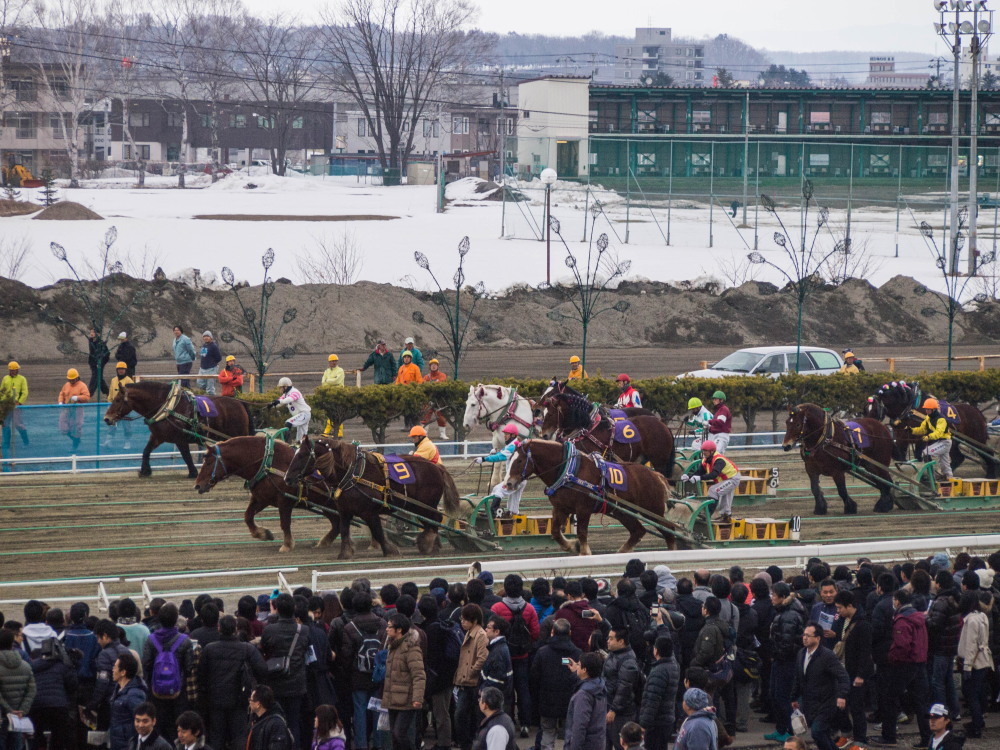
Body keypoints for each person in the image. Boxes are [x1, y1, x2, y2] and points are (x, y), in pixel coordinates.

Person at [871, 589, 930, 749]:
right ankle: (927, 738)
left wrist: (892, 657)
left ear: (897, 601)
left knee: (890, 698)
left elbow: (901, 645)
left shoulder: (901, 620)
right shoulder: (919, 618)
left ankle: (889, 736)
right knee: (920, 702)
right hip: (920, 663)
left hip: (904, 665)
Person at [199, 615, 266, 750]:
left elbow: (201, 675)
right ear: (235, 629)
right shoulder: (247, 648)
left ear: (219, 629)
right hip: (239, 700)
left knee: (216, 737)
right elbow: (262, 669)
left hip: (215, 700)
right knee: (239, 737)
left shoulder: (209, 649)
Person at [490, 575, 540, 737]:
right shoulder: (529, 608)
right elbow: (535, 632)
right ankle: (525, 723)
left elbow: (491, 632)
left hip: (503, 655)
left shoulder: (497, 608)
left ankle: (508, 721)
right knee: (523, 688)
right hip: (522, 655)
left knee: (506, 690)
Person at [260, 593, 309, 748]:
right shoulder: (304, 630)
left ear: (277, 609)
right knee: (294, 722)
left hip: (276, 682)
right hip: (297, 683)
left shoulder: (269, 630)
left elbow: (265, 650)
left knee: (277, 721)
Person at [790, 622, 849, 750]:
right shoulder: (801, 653)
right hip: (810, 702)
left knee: (817, 732)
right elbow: (798, 677)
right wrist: (794, 697)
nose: (805, 638)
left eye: (808, 636)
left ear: (818, 638)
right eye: (804, 635)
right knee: (822, 734)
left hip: (827, 702)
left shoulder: (827, 655)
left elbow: (843, 677)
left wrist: (841, 696)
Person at [141, 603, 195, 743]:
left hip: (155, 693)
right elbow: (189, 667)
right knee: (178, 733)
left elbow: (145, 664)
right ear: (176, 619)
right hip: (178, 693)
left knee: (158, 732)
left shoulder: (151, 639)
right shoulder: (185, 641)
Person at [530, 618, 581, 750]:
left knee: (547, 730)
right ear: (570, 632)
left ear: (552, 632)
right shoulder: (577, 653)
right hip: (569, 700)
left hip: (547, 699)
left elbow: (534, 677)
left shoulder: (542, 652)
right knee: (570, 732)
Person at [766, 582, 805, 744]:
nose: (771, 598)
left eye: (774, 595)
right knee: (775, 695)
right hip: (781, 660)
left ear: (782, 597)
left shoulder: (789, 615)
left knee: (782, 697)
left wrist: (776, 655)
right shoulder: (784, 611)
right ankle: (781, 729)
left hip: (786, 662)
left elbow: (787, 643)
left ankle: (790, 731)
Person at [832, 591, 872, 746]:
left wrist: (861, 675)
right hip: (845, 671)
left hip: (856, 673)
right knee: (841, 704)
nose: (838, 611)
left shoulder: (863, 625)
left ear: (850, 606)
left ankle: (860, 739)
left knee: (856, 707)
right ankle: (847, 734)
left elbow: (865, 652)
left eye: (840, 607)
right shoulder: (845, 620)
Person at [382, 614, 426, 750]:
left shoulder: (411, 649)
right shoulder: (392, 647)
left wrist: (417, 698)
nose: (386, 630)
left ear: (399, 630)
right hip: (392, 698)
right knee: (394, 737)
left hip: (406, 699)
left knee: (399, 734)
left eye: (389, 627)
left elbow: (419, 675)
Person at [956, 590, 992, 738]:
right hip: (984, 659)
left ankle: (976, 726)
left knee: (971, 694)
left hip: (974, 661)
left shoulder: (970, 620)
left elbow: (971, 645)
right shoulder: (982, 616)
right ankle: (979, 721)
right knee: (978, 692)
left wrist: (967, 666)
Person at [454, 604, 489, 750]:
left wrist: (470, 672)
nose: (462, 622)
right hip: (465, 681)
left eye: (465, 620)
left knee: (464, 714)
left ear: (474, 620)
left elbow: (482, 658)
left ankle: (468, 743)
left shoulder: (480, 635)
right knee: (462, 714)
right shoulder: (469, 633)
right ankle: (466, 743)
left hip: (471, 681)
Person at [681, 441, 742, 523]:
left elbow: (713, 475)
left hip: (732, 479)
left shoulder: (719, 460)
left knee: (713, 491)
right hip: (726, 479)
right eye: (703, 450)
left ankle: (707, 514)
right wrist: (689, 476)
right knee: (725, 497)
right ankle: (726, 516)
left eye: (706, 451)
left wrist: (699, 478)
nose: (704, 453)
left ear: (712, 451)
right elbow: (699, 472)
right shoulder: (705, 460)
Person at [603, 627, 641, 750]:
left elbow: (624, 687)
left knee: (620, 744)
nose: (608, 641)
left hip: (621, 713)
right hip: (608, 705)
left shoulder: (628, 661)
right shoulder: (613, 654)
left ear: (621, 641)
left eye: (611, 638)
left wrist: (614, 709)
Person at [638, 637, 678, 750]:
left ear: (656, 650)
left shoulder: (659, 671)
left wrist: (644, 724)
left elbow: (652, 700)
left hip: (656, 723)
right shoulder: (673, 666)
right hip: (667, 719)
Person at [475, 424, 523, 517]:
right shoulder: (514, 444)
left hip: (516, 478)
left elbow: (500, 457)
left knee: (498, 491)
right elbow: (501, 453)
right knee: (513, 503)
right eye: (504, 433)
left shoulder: (513, 446)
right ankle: (513, 515)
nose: (504, 436)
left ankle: (493, 513)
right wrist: (496, 453)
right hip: (520, 478)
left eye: (507, 434)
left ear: (513, 435)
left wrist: (484, 459)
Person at [564, 652, 607, 750]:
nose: (577, 666)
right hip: (597, 742)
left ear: (584, 670)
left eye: (579, 665)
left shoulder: (583, 695)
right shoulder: (600, 686)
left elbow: (579, 726)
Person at [108, 652, 147, 750]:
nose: (113, 670)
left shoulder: (134, 694)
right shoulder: (118, 689)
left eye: (115, 667)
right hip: (117, 741)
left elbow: (142, 719)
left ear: (123, 672)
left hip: (126, 744)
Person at [912, 398, 953, 481]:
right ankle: (949, 479)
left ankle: (933, 477)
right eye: (926, 409)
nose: (926, 411)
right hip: (940, 442)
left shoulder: (941, 419)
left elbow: (938, 433)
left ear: (934, 409)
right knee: (945, 464)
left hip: (945, 442)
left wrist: (928, 437)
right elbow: (922, 429)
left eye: (928, 409)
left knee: (927, 453)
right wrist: (911, 430)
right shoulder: (928, 418)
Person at [481, 617, 513, 710]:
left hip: (493, 698)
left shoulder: (498, 651)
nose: (485, 629)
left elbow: (496, 679)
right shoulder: (500, 647)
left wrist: (483, 689)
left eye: (488, 627)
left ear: (497, 632)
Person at [246, 686, 293, 750]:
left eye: (251, 700)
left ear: (258, 704)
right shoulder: (255, 720)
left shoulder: (276, 724)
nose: (249, 702)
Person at [269, 377, 312, 443]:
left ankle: (287, 444)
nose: (280, 389)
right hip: (301, 415)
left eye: (281, 387)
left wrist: (279, 401)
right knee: (300, 439)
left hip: (304, 414)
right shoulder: (285, 394)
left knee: (288, 423)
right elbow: (280, 402)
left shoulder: (295, 392)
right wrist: (272, 405)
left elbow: (289, 399)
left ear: (285, 387)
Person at [58, 368, 91, 452]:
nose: (71, 381)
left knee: (76, 427)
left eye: (73, 379)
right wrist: (60, 402)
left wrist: (78, 397)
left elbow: (87, 397)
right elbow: (62, 393)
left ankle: (75, 445)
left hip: (77, 409)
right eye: (70, 379)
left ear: (77, 378)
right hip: (66, 408)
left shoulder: (82, 385)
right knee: (63, 427)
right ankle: (76, 440)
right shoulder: (66, 385)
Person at [105, 362, 136, 449]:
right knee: (112, 424)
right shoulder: (113, 380)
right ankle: (109, 441)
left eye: (122, 369)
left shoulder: (129, 381)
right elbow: (111, 394)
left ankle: (127, 442)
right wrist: (109, 404)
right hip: (115, 407)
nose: (121, 371)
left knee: (126, 425)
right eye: (119, 369)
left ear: (125, 370)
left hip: (125, 408)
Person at [1, 361, 30, 450]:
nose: (16, 371)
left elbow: (25, 392)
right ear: (10, 370)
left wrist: (19, 402)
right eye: (14, 370)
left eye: (17, 370)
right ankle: (6, 444)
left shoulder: (22, 379)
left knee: (18, 424)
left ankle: (26, 442)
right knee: (5, 424)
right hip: (5, 406)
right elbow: (1, 391)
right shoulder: (5, 378)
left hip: (16, 406)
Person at [421, 359, 449, 440]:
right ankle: (424, 434)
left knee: (441, 417)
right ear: (430, 367)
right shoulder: (426, 376)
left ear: (438, 366)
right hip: (429, 399)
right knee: (425, 416)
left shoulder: (442, 375)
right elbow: (423, 385)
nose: (433, 366)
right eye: (432, 365)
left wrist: (430, 385)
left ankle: (442, 434)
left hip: (439, 400)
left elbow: (441, 383)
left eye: (435, 365)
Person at [321, 355, 345, 437]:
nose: (334, 362)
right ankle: (327, 431)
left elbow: (337, 381)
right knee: (330, 413)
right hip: (329, 395)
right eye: (332, 361)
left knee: (339, 414)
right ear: (329, 362)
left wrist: (328, 380)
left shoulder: (340, 371)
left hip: (339, 395)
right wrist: (332, 381)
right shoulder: (326, 371)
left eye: (335, 361)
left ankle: (339, 432)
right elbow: (323, 383)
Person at [87, 327, 110, 397]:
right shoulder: (91, 342)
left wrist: (101, 362)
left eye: (93, 332)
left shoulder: (100, 343)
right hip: (93, 363)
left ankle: (89, 394)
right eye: (91, 332)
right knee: (99, 379)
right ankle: (108, 393)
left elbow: (107, 354)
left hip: (99, 363)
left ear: (98, 334)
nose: (91, 333)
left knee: (95, 378)